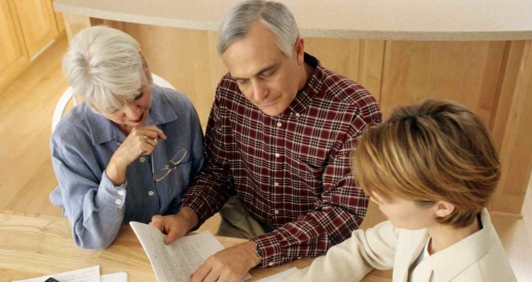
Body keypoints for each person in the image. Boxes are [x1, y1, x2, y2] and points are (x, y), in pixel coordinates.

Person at [150, 0, 381, 281]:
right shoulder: (229, 92)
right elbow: (218, 173)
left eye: (267, 73)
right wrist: (186, 216)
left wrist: (253, 252)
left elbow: (341, 214)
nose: (257, 95)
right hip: (243, 226)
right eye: (243, 80)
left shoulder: (354, 111)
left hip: (318, 246)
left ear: (297, 50)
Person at [285, 98, 517, 282]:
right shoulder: (428, 225)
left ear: (443, 207)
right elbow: (364, 249)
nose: (373, 197)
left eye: (386, 196)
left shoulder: (477, 276)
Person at [49, 26, 204, 249]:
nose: (134, 115)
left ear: (145, 67)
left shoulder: (180, 108)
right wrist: (115, 169)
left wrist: (186, 217)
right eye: (114, 107)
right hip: (112, 245)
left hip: (172, 241)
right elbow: (91, 239)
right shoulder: (69, 141)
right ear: (92, 103)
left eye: (137, 94)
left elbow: (204, 180)